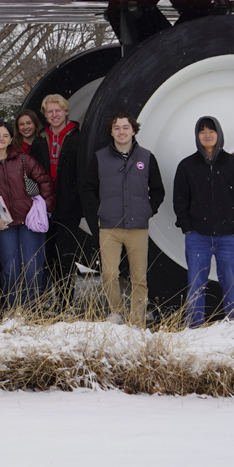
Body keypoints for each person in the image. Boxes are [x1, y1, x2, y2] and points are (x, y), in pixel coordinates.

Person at [79, 112, 164, 326]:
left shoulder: (146, 157)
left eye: (126, 127)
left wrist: (147, 210)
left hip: (138, 227)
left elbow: (158, 191)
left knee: (139, 277)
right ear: (111, 132)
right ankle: (116, 313)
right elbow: (87, 189)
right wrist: (101, 210)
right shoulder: (100, 158)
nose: (121, 132)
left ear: (133, 131)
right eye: (116, 128)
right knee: (109, 274)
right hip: (109, 226)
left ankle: (137, 319)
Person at [173, 116, 234, 327]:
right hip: (198, 237)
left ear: (219, 134)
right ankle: (194, 327)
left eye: (211, 131)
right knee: (196, 285)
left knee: (231, 285)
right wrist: (188, 228)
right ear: (197, 136)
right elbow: (180, 200)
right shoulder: (187, 166)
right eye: (202, 132)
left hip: (229, 237)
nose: (207, 135)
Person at [0, 121, 54, 308]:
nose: (1, 138)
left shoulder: (24, 159)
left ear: (11, 139)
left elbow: (46, 182)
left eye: (5, 135)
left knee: (31, 269)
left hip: (29, 222)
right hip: (5, 225)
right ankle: (14, 311)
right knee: (11, 270)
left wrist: (43, 209)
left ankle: (33, 309)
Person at [35, 94, 90, 296]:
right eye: (50, 111)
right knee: (49, 255)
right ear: (45, 114)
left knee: (65, 254)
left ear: (66, 111)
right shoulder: (41, 139)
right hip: (45, 206)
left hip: (69, 205)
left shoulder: (78, 137)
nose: (54, 115)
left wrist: (77, 196)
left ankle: (65, 300)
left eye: (58, 110)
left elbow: (84, 170)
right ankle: (55, 296)